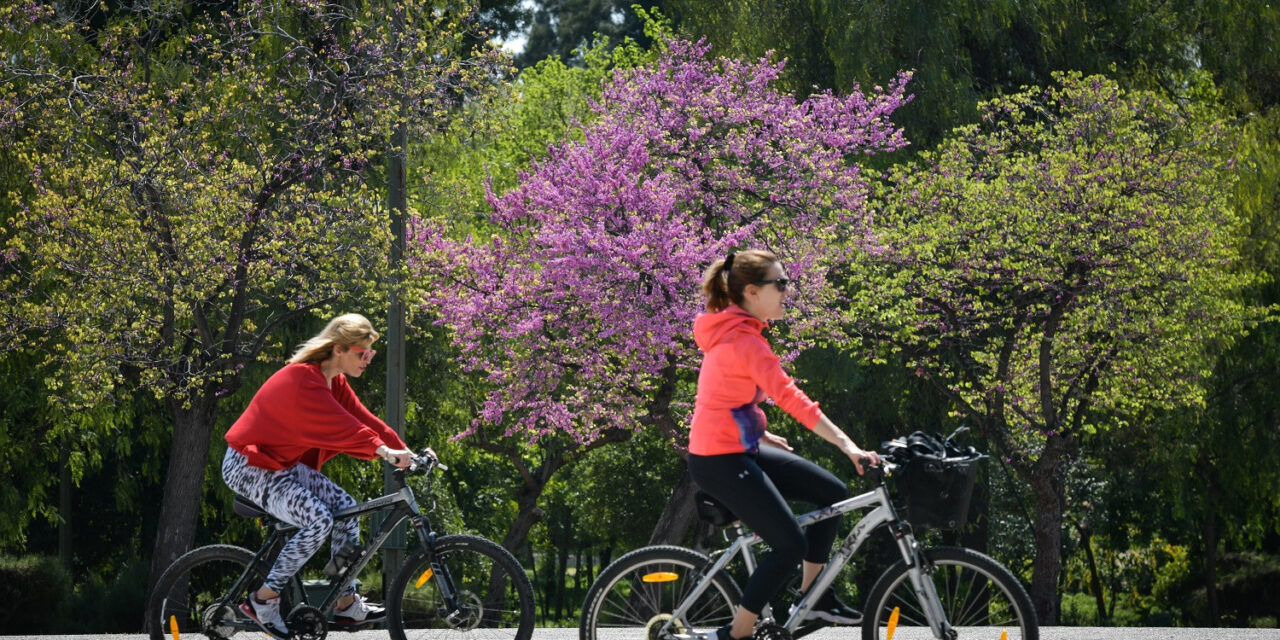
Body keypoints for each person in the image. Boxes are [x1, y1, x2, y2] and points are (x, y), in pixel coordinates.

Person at [687, 250, 882, 640]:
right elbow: (793, 400)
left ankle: (814, 600)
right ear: (753, 292)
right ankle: (737, 634)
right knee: (789, 544)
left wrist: (758, 431)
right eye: (781, 284)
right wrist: (849, 446)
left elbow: (724, 396)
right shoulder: (745, 342)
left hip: (738, 447)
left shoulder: (738, 334)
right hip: (718, 459)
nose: (786, 291)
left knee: (831, 493)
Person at [222, 313, 421, 637]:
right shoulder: (303, 379)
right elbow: (342, 426)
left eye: (371, 353)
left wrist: (407, 452)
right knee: (319, 520)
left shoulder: (335, 381)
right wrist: (384, 452)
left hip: (279, 464)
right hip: (248, 465)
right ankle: (263, 600)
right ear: (339, 348)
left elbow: (367, 421)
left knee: (346, 507)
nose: (368, 359)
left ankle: (345, 601)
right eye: (363, 353)